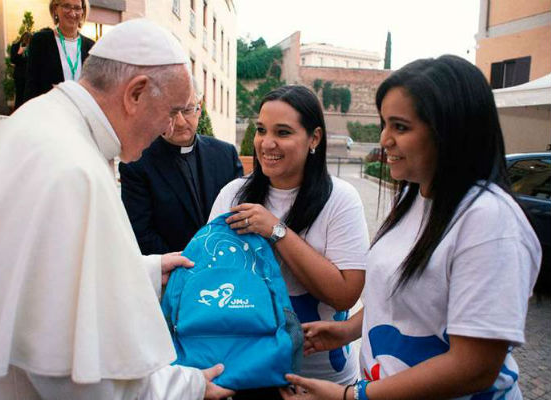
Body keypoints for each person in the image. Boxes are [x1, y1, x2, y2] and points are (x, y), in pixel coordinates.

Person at [0, 18, 234, 400]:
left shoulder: (41, 122)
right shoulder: (73, 168)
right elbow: (81, 377)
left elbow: (40, 268)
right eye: (170, 111)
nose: (170, 127)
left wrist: (147, 271)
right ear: (135, 94)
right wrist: (187, 386)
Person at [279, 55, 541, 400]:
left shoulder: (489, 221)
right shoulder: (414, 197)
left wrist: (351, 396)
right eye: (384, 123)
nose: (385, 139)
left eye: (400, 127)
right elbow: (404, 298)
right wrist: (347, 330)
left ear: (449, 131)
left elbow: (475, 365)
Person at [208, 85, 370, 399]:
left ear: (315, 138)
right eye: (260, 130)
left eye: (283, 132)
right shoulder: (233, 194)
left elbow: (345, 295)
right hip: (246, 371)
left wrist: (276, 230)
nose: (266, 143)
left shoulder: (340, 199)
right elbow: (211, 278)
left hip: (320, 380)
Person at [119, 79, 243, 255]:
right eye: (171, 112)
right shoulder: (137, 162)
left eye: (187, 110)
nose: (180, 122)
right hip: (172, 272)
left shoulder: (225, 154)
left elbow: (238, 214)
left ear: (199, 109)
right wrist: (186, 266)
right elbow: (140, 232)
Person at [24, 0, 95, 102]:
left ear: (83, 11)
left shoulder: (91, 47)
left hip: (80, 114)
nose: (72, 13)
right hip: (51, 112)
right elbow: (31, 86)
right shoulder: (41, 41)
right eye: (66, 6)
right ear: (55, 9)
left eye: (77, 8)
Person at [10, 31, 33, 110]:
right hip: (19, 75)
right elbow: (13, 60)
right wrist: (19, 52)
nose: (27, 44)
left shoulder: (32, 48)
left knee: (28, 96)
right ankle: (18, 111)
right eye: (26, 41)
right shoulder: (15, 46)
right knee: (19, 95)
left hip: (29, 75)